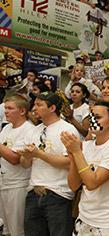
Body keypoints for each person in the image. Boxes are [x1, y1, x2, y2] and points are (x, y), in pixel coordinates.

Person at [19, 91, 80, 235]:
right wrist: (27, 157)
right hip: (33, 192)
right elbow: (25, 164)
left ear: (52, 108)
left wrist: (39, 154)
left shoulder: (67, 130)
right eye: (34, 104)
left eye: (39, 105)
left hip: (58, 194)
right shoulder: (33, 131)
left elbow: (70, 163)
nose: (34, 108)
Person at [62, 101, 109, 235]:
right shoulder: (86, 146)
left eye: (97, 117)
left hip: (108, 221)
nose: (92, 120)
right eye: (91, 116)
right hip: (84, 216)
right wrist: (74, 156)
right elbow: (73, 185)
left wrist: (77, 153)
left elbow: (93, 183)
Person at [0, 95, 34, 236]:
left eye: (10, 108)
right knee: (5, 229)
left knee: (17, 231)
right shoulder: (7, 128)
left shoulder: (29, 130)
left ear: (22, 111)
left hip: (18, 186)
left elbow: (15, 159)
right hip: (3, 183)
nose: (6, 111)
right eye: (5, 108)